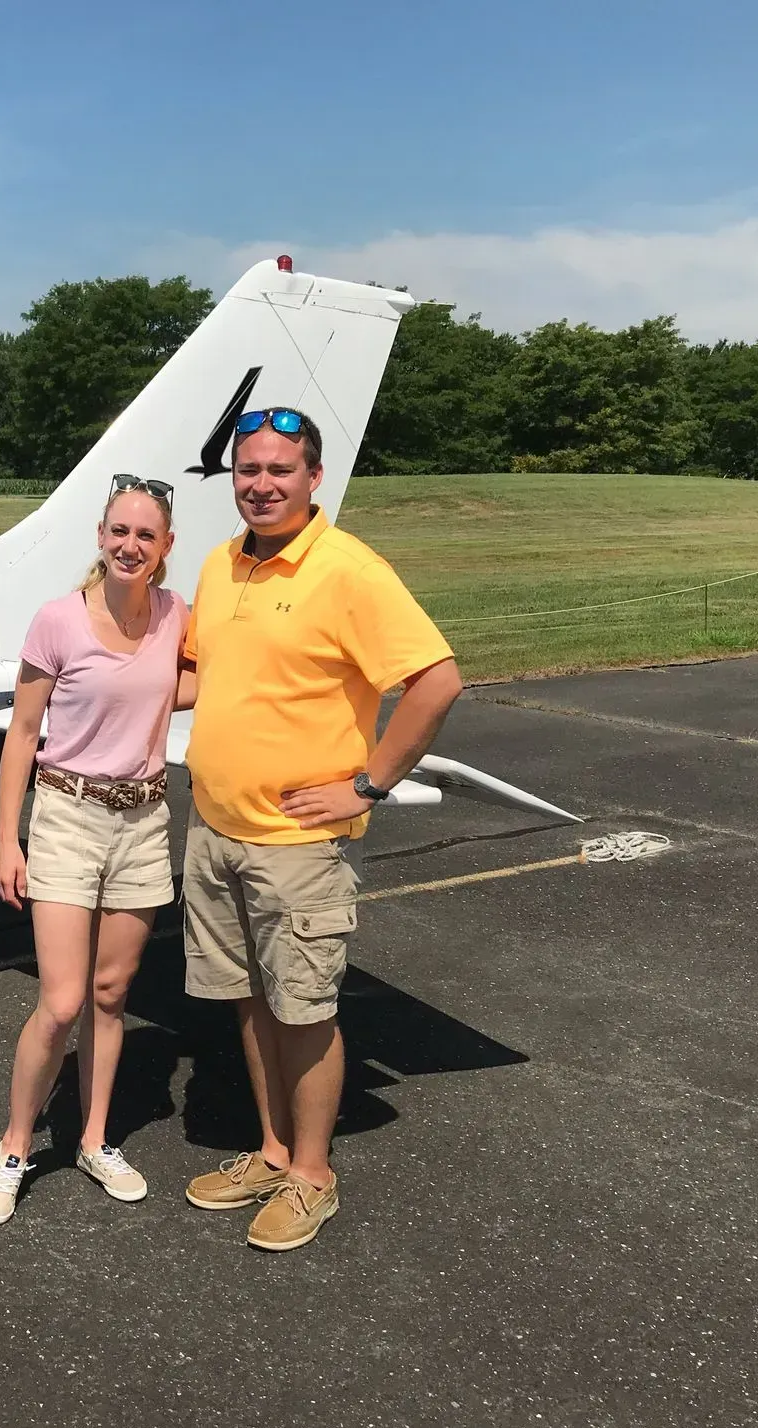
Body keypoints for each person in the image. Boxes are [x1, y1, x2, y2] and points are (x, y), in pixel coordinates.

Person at [179, 408, 462, 1252]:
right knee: (249, 1001)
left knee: (302, 1009)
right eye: (247, 469)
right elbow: (200, 676)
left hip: (296, 841)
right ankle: (270, 1151)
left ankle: (312, 1176)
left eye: (279, 470)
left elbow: (436, 680)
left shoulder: (348, 570)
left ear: (314, 479)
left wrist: (369, 782)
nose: (261, 484)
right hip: (216, 825)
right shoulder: (220, 563)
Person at [0, 476, 190, 1225]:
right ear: (102, 536)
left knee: (110, 995)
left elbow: (185, 680)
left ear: (167, 548)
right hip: (67, 814)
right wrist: (9, 838)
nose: (131, 545)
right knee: (62, 999)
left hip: (144, 822)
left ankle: (96, 1140)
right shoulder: (59, 621)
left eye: (146, 535)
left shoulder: (176, 619)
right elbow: (23, 733)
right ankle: (13, 1144)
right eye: (119, 531)